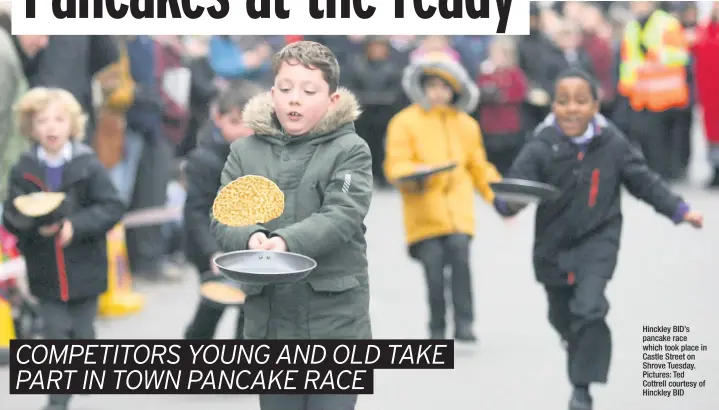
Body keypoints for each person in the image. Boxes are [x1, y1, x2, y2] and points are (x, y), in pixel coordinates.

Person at [494, 69, 703, 410]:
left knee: (589, 308)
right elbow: (515, 187)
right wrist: (506, 204)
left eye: (581, 101)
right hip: (552, 247)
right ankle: (575, 337)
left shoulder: (613, 144)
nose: (571, 109)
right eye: (563, 101)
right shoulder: (542, 144)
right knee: (561, 316)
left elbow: (644, 182)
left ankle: (582, 389)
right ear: (554, 106)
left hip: (598, 241)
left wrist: (680, 210)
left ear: (595, 105)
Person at [210, 41, 372, 410]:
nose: (294, 99)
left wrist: (283, 241)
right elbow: (224, 214)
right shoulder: (245, 151)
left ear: (332, 100)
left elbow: (343, 214)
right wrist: (251, 236)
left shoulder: (350, 150)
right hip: (272, 323)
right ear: (272, 94)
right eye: (285, 89)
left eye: (308, 90)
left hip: (336, 323)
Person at [2, 87, 125, 410]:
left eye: (59, 119)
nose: (51, 127)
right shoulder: (23, 168)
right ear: (31, 127)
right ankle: (57, 401)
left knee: (81, 332)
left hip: (86, 269)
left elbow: (112, 207)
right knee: (56, 333)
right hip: (44, 272)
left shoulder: (88, 165)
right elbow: (12, 213)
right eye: (42, 120)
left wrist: (77, 225)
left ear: (72, 125)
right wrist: (33, 225)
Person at [384, 56, 501, 342]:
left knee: (461, 261)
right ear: (422, 88)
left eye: (445, 87)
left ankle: (464, 322)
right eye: (432, 86)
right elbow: (395, 164)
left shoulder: (466, 125)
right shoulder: (404, 122)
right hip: (424, 212)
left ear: (455, 90)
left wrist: (499, 197)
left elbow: (478, 167)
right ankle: (437, 326)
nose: (438, 92)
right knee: (434, 271)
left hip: (458, 211)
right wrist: (414, 173)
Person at [183, 81, 263, 340]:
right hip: (213, 248)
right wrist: (212, 252)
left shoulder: (267, 155)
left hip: (253, 247)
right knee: (212, 306)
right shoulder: (203, 160)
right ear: (218, 118)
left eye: (250, 122)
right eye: (235, 121)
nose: (243, 130)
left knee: (251, 313)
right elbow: (196, 211)